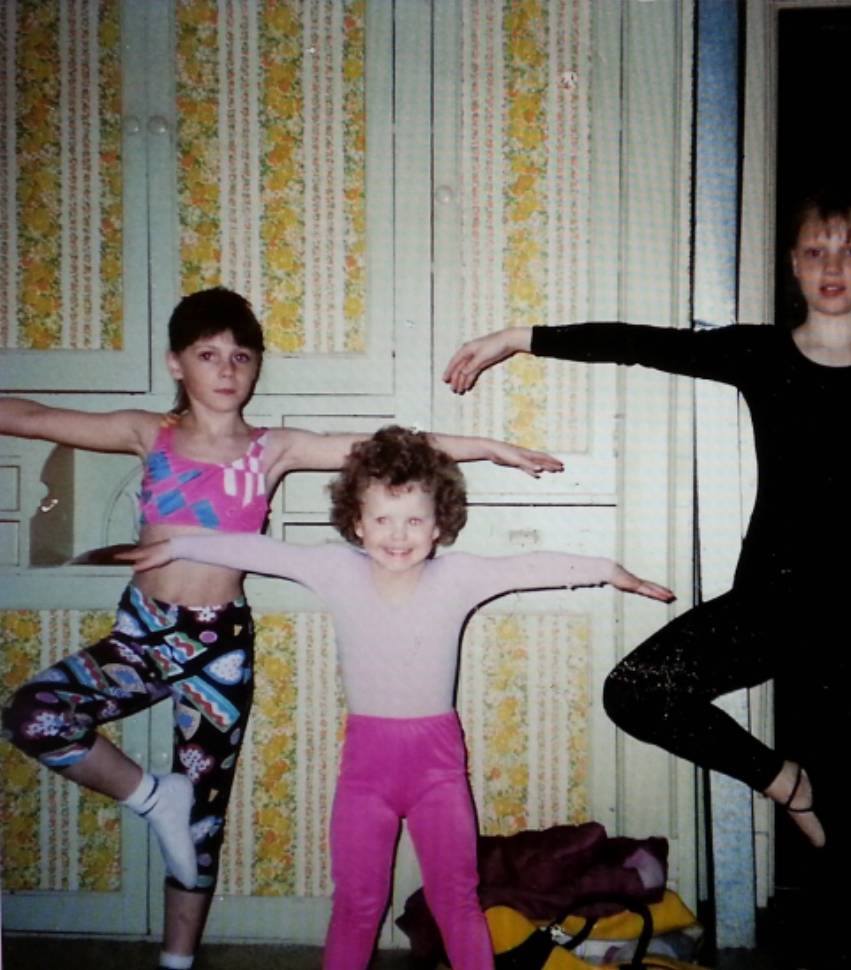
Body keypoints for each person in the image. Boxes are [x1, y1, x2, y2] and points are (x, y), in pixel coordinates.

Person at [0, 287, 563, 970]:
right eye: (208, 355)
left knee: (202, 818)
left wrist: (495, 448)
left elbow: (398, 447)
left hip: (219, 650)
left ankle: (177, 960)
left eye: (241, 355)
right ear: (177, 363)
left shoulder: (273, 449)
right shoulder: (149, 433)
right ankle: (154, 796)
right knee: (35, 715)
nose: (227, 369)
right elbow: (30, 416)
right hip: (142, 634)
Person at [442, 184, 851, 865]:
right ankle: (786, 784)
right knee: (636, 690)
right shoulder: (764, 355)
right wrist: (517, 339)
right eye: (814, 250)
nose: (832, 266)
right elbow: (639, 345)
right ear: (793, 264)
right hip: (772, 603)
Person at [119, 425, 675, 970]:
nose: (398, 533)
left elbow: (532, 567)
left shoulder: (457, 577)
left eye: (414, 519)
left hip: (438, 770)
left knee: (457, 899)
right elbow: (260, 550)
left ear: (439, 526)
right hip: (366, 772)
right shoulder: (335, 569)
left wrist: (609, 572)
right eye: (382, 518)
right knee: (358, 905)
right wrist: (176, 544)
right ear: (357, 524)